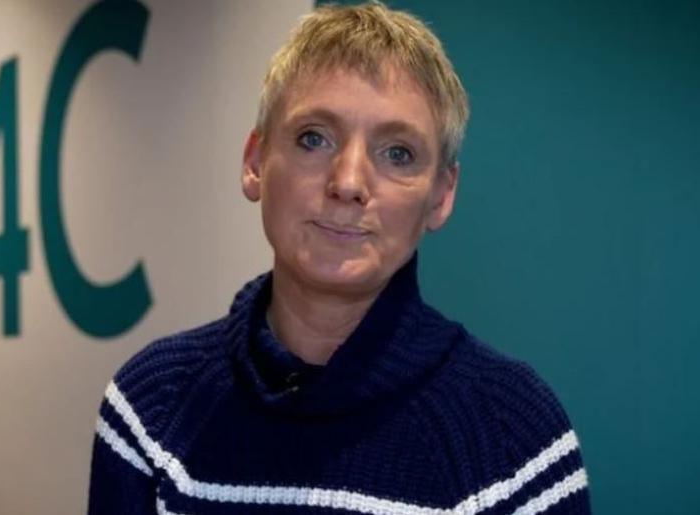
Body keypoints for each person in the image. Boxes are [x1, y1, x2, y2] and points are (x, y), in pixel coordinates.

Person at [88, 2, 591, 514]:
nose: (348, 184)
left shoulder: (514, 437)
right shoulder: (150, 407)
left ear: (441, 195)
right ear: (255, 162)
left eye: (398, 153)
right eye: (314, 139)